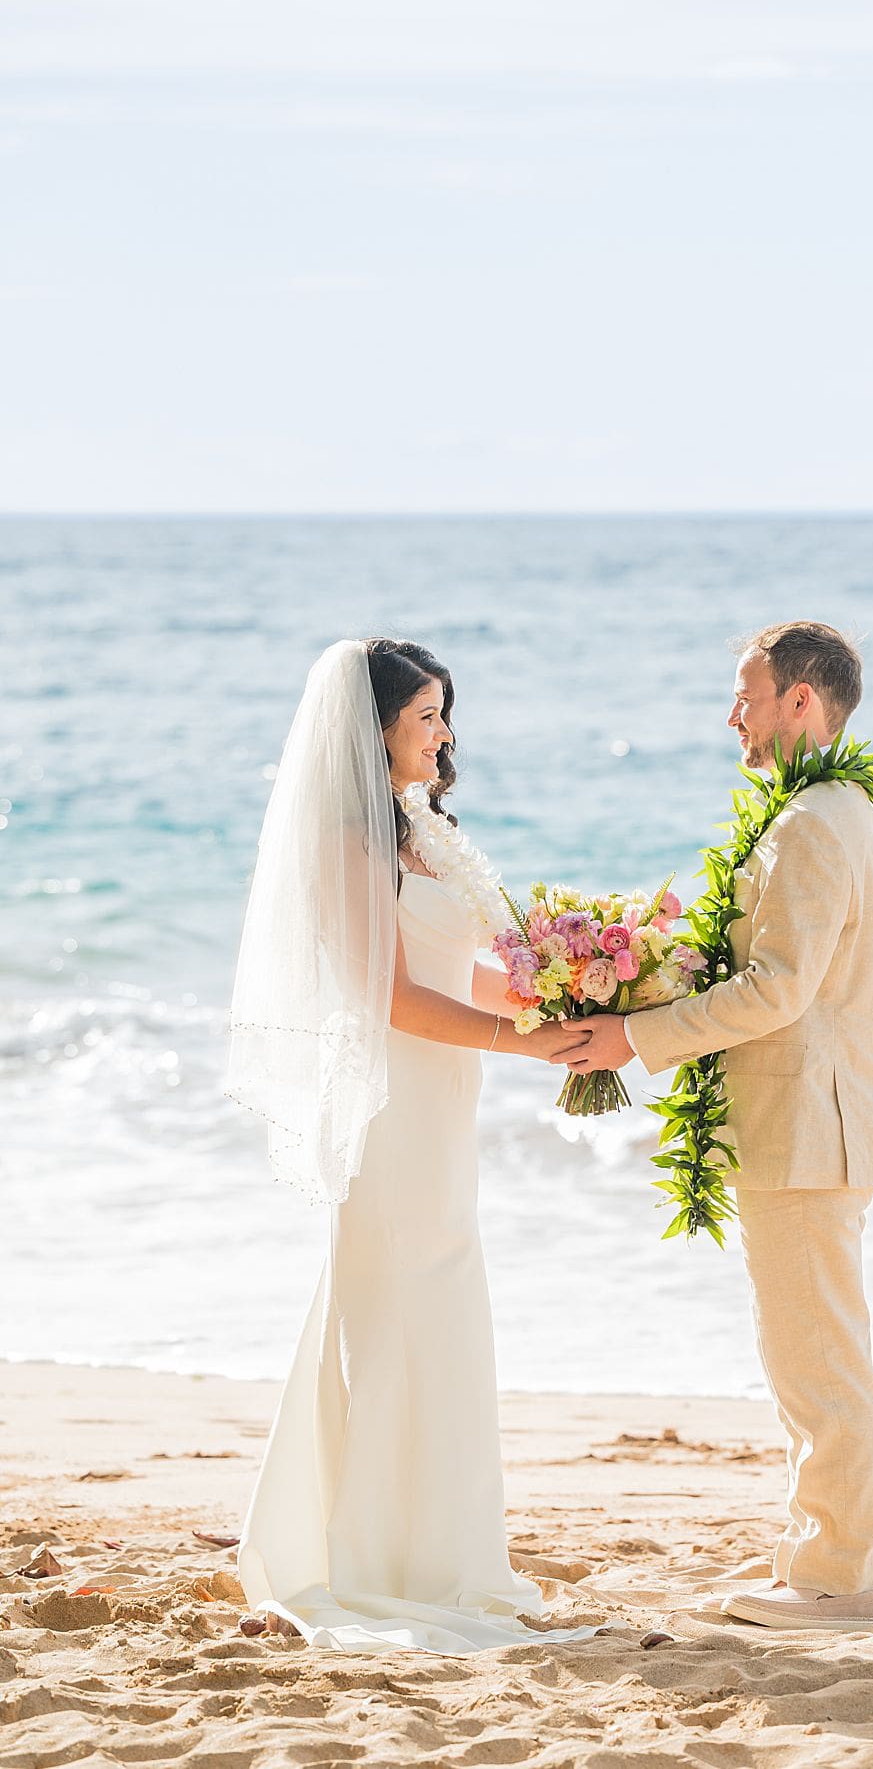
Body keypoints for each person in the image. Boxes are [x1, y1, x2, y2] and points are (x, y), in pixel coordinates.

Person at [560, 620, 873, 1631]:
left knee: (818, 1359)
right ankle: (819, 1563)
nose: (733, 714)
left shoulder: (814, 820)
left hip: (810, 1127)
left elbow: (778, 989)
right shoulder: (833, 809)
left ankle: (835, 1582)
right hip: (813, 1119)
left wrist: (633, 1035)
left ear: (801, 702)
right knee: (808, 1352)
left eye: (748, 693)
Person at [224, 636, 593, 1654]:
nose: (444, 732)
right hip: (398, 1104)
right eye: (426, 715)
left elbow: (453, 969)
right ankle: (381, 1560)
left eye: (443, 713)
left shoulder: (419, 829)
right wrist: (521, 1041)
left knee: (442, 1306)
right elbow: (386, 996)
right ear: (373, 727)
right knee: (397, 1311)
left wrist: (556, 999)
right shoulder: (349, 843)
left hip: (444, 1099)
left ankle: (442, 1547)